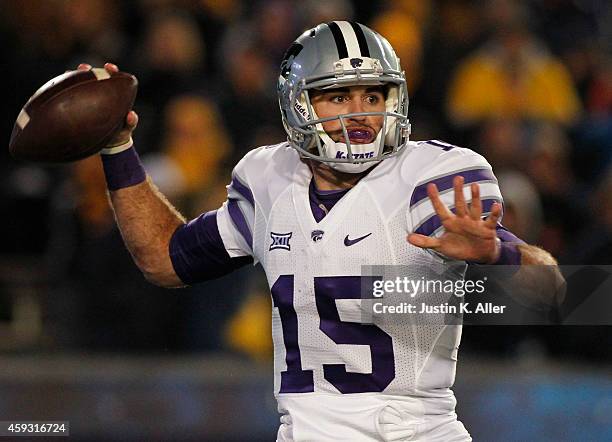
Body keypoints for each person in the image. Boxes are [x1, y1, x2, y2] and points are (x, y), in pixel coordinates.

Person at [82, 21, 561, 441]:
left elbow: (556, 292)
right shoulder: (269, 178)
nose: (360, 113)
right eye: (338, 96)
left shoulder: (433, 176)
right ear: (298, 105)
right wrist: (118, 149)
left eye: (373, 95)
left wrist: (501, 255)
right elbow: (166, 260)